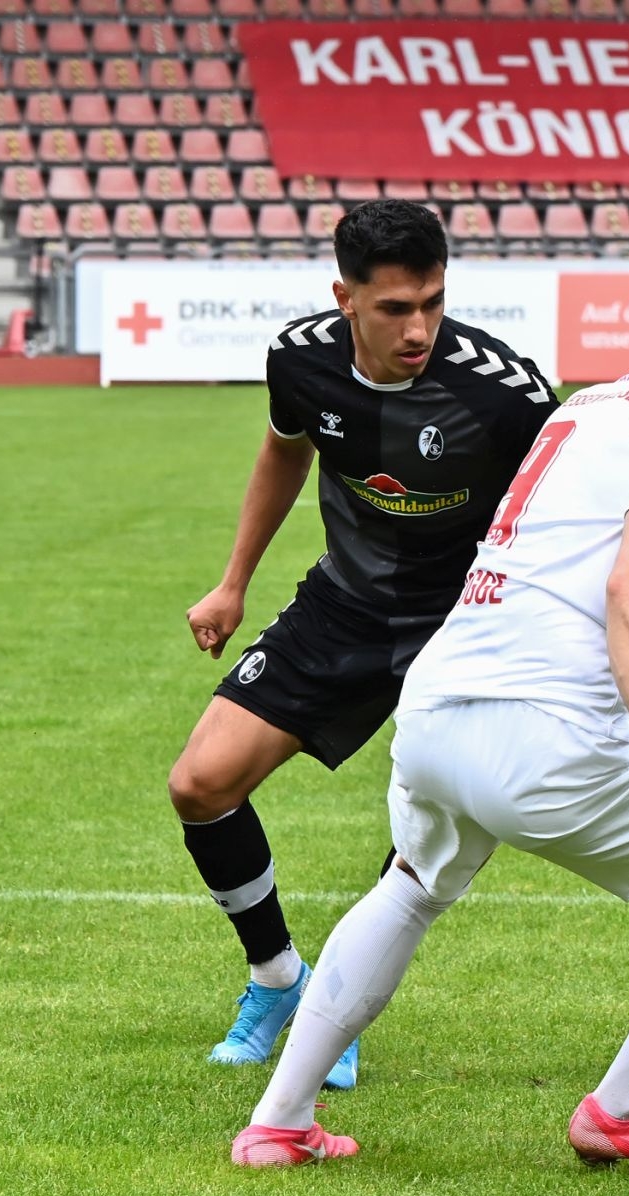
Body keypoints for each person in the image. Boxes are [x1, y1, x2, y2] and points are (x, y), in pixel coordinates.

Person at [230, 249, 629, 1172]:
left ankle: (278, 1122)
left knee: (412, 885)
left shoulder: (586, 408)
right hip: (547, 741)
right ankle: (628, 1107)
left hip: (435, 714)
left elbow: (585, 593)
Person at [168, 198, 556, 1087]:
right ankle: (278, 981)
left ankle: (337, 1009)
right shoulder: (299, 359)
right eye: (394, 308)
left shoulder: (507, 394)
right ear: (345, 297)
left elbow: (565, 518)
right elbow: (285, 452)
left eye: (433, 302)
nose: (419, 328)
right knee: (201, 784)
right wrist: (232, 582)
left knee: (423, 846)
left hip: (466, 627)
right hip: (344, 604)